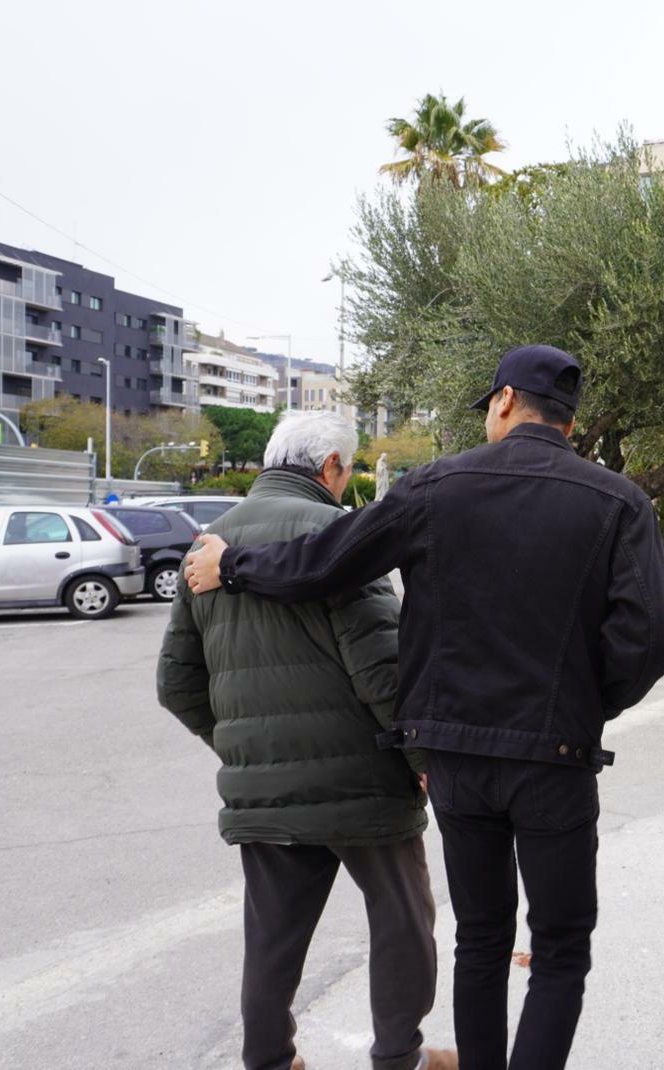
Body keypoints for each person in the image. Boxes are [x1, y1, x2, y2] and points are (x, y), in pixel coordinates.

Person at [182, 344, 664, 1070]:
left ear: (505, 400)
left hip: (455, 758)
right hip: (555, 757)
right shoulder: (618, 501)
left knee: (479, 936)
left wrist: (232, 565)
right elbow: (648, 637)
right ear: (570, 420)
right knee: (560, 948)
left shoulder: (436, 487)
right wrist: (583, 703)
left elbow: (328, 561)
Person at [156, 411, 452, 1070]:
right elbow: (383, 669)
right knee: (404, 922)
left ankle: (269, 1060)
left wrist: (245, 747)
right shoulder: (341, 536)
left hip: (263, 789)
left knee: (272, 939)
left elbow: (176, 686)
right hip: (365, 782)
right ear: (331, 470)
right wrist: (422, 760)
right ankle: (399, 1057)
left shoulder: (208, 546)